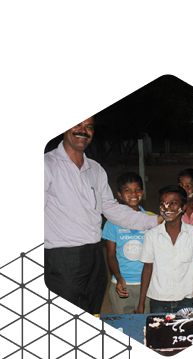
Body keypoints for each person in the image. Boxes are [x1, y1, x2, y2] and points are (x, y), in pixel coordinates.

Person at [44, 116, 162, 314]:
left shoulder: (95, 169)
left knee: (93, 306)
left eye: (89, 127)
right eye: (78, 124)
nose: (83, 130)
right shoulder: (48, 165)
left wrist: (155, 220)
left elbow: (112, 209)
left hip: (94, 254)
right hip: (62, 257)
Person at [136, 185, 193, 314]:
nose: (167, 208)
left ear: (183, 208)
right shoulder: (151, 235)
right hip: (158, 299)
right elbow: (147, 268)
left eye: (173, 203)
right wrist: (141, 303)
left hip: (186, 299)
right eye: (163, 203)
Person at [102, 172, 155, 314]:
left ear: (142, 192)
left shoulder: (150, 219)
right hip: (122, 283)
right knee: (122, 322)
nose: (133, 194)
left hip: (147, 283)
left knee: (146, 323)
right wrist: (119, 277)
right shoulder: (113, 222)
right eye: (127, 190)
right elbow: (111, 255)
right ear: (119, 195)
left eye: (137, 189)